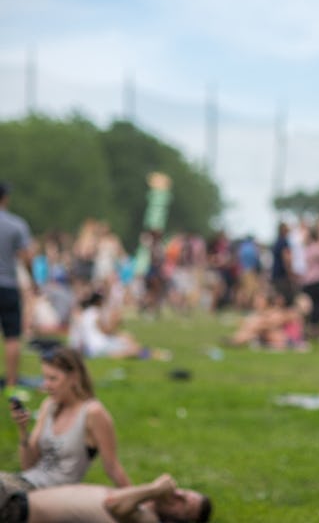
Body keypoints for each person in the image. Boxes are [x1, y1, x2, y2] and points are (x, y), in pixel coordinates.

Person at [2, 347, 131, 495]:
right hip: (25, 484)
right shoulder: (49, 405)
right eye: (45, 378)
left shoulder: (93, 412)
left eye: (53, 379)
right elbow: (28, 466)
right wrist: (23, 430)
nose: (46, 385)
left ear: (74, 377)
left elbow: (112, 467)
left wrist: (137, 502)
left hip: (51, 496)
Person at [0, 473, 211, 523]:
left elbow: (113, 504)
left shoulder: (149, 520)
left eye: (185, 504)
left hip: (16, 511)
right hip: (19, 495)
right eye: (186, 492)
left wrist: (155, 488)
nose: (179, 495)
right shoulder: (142, 506)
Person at [0, 182, 35, 397]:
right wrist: (32, 278)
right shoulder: (16, 224)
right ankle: (12, 383)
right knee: (12, 336)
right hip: (7, 285)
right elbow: (26, 256)